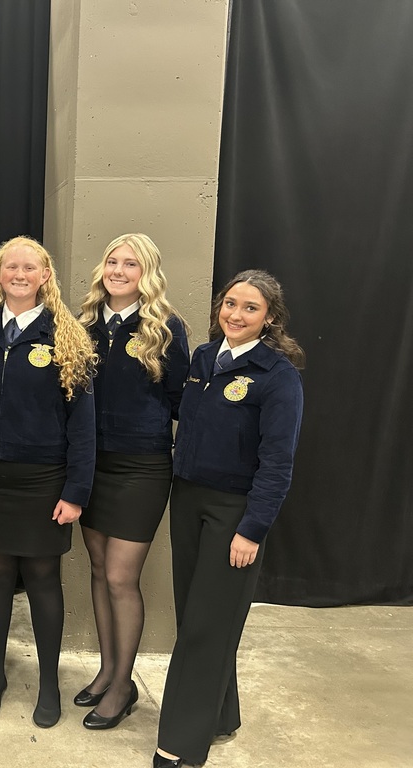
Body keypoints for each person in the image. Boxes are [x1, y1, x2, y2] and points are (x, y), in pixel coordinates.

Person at [153, 269, 304, 767]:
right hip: (188, 502)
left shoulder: (277, 376)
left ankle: (180, 745)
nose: (236, 314)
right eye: (230, 303)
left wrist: (251, 529)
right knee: (201, 619)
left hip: (233, 513)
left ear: (270, 319)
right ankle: (221, 716)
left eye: (250, 308)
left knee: (204, 629)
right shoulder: (202, 359)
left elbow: (277, 463)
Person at [0, 236, 97, 728]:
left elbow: (83, 423)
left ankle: (49, 684)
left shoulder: (66, 333)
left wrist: (76, 491)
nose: (19, 274)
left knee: (41, 578)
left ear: (44, 276)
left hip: (43, 480)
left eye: (29, 267)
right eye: (10, 266)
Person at [74, 234, 190, 730]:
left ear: (148, 274)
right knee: (99, 570)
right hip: (91, 463)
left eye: (131, 264)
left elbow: (180, 400)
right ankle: (108, 670)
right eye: (113, 261)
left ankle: (124, 685)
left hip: (142, 467)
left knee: (122, 577)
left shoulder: (166, 328)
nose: (119, 270)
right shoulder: (81, 326)